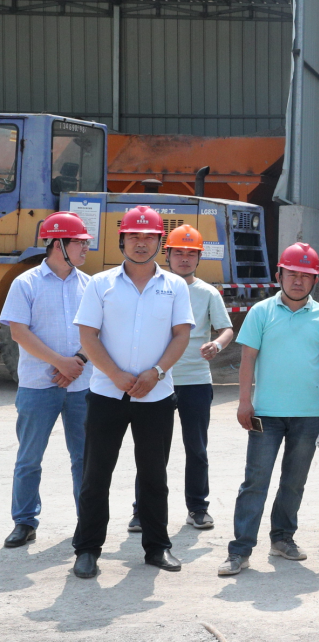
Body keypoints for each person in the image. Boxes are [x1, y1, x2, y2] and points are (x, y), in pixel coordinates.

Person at [71, 205, 194, 578]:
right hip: (107, 395)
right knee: (96, 474)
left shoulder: (174, 286)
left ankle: (157, 547)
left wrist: (156, 373)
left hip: (155, 397)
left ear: (159, 241)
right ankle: (87, 549)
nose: (141, 243)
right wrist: (114, 374)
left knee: (154, 475)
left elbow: (181, 335)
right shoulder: (100, 284)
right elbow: (88, 335)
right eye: (134, 236)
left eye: (149, 237)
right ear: (121, 239)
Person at [218, 243, 319, 575]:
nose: (298, 281)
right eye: (292, 274)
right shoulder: (261, 312)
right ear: (279, 275)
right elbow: (248, 359)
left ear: (315, 280)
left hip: (309, 414)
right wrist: (245, 402)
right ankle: (240, 549)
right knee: (255, 481)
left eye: (306, 276)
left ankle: (283, 538)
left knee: (294, 481)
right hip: (266, 414)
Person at [1, 212, 92, 549]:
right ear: (58, 244)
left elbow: (99, 330)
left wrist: (77, 362)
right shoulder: (26, 283)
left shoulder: (90, 285)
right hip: (38, 386)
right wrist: (60, 363)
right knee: (29, 457)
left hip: (81, 385)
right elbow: (18, 331)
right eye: (79, 242)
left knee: (84, 458)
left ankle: (87, 521)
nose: (86, 247)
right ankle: (24, 521)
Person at [156, 224, 233, 532]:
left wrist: (217, 344)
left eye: (191, 253)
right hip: (158, 380)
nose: (185, 259)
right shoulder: (154, 288)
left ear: (199, 258)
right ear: (168, 255)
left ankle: (198, 508)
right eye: (179, 253)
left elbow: (226, 329)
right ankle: (144, 510)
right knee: (153, 450)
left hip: (196, 381)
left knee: (197, 449)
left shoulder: (208, 293)